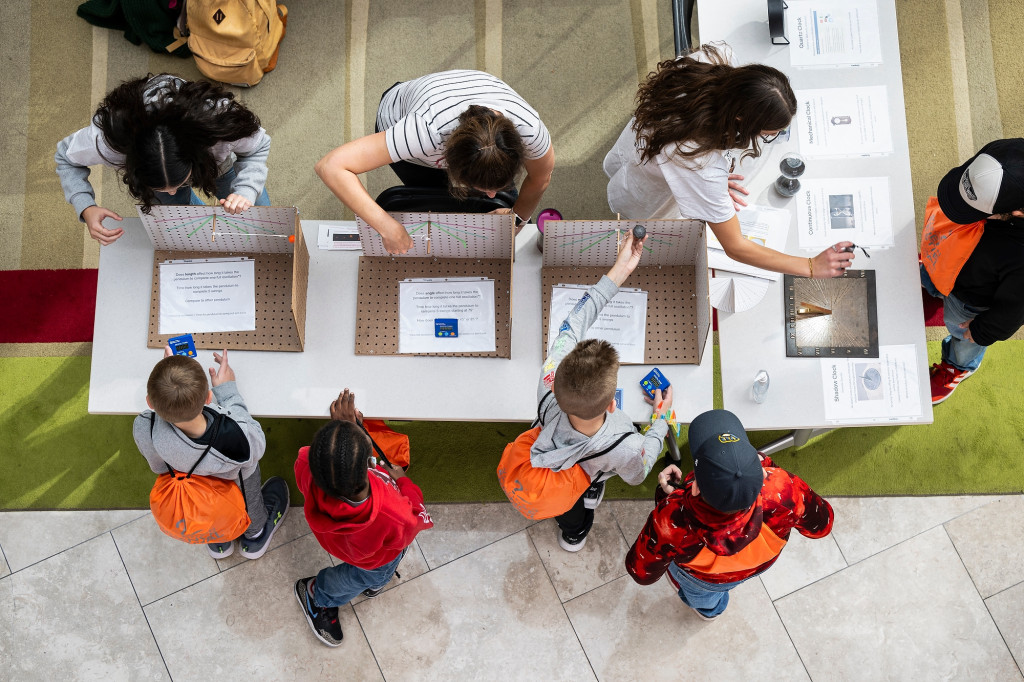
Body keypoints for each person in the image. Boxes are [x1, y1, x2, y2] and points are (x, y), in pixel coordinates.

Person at [604, 43, 853, 279]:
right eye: (766, 134)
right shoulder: (698, 161)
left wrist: (705, 183)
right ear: (740, 121)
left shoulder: (714, 58)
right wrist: (809, 266)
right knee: (632, 208)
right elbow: (736, 246)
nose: (770, 138)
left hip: (645, 142)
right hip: (647, 186)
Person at [533, 232, 673, 552]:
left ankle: (572, 530)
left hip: (553, 460)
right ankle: (577, 530)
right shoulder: (625, 445)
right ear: (613, 404)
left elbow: (572, 323)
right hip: (588, 473)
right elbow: (639, 469)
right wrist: (660, 418)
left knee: (566, 510)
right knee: (575, 507)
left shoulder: (547, 380)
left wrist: (617, 271)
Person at [315, 70, 555, 254]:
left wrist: (516, 219)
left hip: (450, 107)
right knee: (430, 194)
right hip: (400, 115)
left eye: (497, 186)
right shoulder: (422, 134)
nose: (492, 195)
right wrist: (386, 226)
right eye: (486, 188)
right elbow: (331, 166)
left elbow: (540, 177)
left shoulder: (529, 131)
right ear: (448, 162)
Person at [625, 409, 833, 620]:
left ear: (696, 488)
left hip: (704, 578)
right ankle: (710, 609)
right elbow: (822, 526)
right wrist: (768, 466)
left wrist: (668, 494)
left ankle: (710, 610)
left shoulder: (672, 518)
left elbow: (641, 572)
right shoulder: (783, 489)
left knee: (702, 598)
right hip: (760, 564)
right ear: (762, 475)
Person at [56, 74, 272, 246]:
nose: (171, 191)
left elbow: (258, 146)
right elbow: (65, 157)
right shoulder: (106, 142)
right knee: (185, 229)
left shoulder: (220, 126)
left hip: (216, 163)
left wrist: (247, 190)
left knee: (260, 218)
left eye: (176, 184)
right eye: (161, 187)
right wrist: (86, 206)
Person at [293, 389, 433, 647]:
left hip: (338, 540)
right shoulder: (394, 514)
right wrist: (402, 480)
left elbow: (324, 462)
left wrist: (341, 435)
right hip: (373, 559)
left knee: (366, 571)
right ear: (371, 466)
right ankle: (317, 594)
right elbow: (417, 516)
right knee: (374, 577)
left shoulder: (305, 463)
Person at [133, 348, 289, 559]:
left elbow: (158, 467)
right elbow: (257, 445)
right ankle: (255, 536)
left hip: (193, 493)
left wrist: (169, 383)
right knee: (248, 499)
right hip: (235, 479)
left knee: (211, 515)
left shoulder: (145, 426)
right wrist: (228, 392)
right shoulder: (235, 437)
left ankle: (219, 541)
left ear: (150, 403)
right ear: (208, 397)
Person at [921, 138, 1024, 404]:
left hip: (971, 300)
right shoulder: (1007, 154)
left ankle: (959, 365)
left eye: (972, 210)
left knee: (962, 335)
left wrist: (982, 331)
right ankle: (933, 280)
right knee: (935, 270)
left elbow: (1015, 309)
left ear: (1016, 213)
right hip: (952, 259)